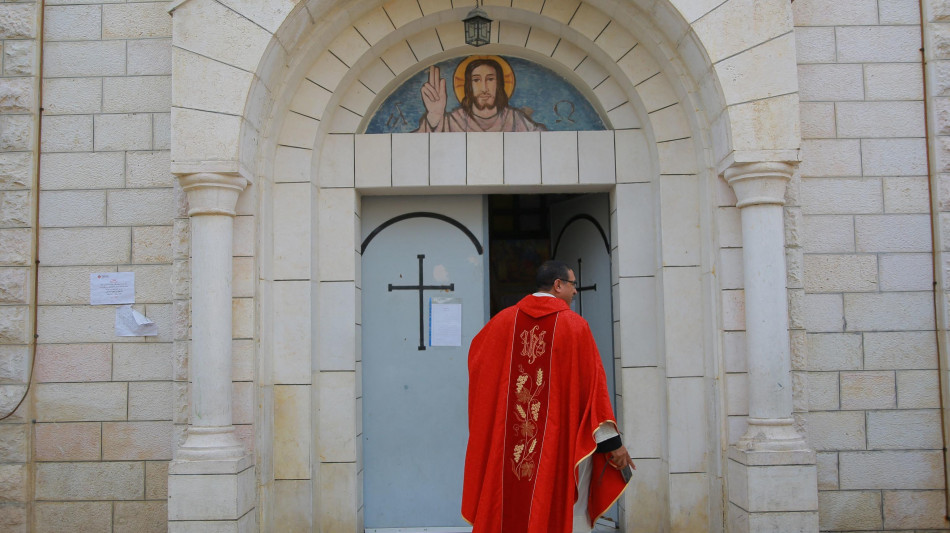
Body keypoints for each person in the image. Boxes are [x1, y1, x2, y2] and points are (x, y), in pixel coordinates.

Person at [462, 260, 634, 532]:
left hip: (509, 447)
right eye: (573, 284)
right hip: (560, 446)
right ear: (558, 285)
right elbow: (594, 394)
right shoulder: (575, 327)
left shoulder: (502, 322)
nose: (575, 291)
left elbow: (477, 361)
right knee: (562, 512)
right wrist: (613, 444)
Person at [415, 57, 546, 132]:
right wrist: (434, 116)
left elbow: (544, 144)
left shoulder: (515, 119)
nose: (484, 88)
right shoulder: (451, 121)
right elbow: (416, 151)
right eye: (476, 80)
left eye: (490, 79)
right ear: (468, 86)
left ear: (499, 84)